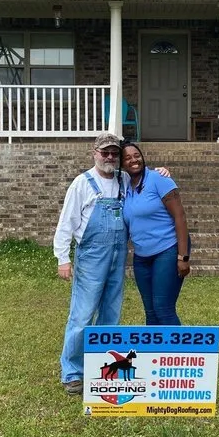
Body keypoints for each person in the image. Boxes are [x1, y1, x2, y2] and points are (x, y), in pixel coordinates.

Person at [54, 132, 128, 395]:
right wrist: (63, 258)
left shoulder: (124, 180)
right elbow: (66, 223)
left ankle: (101, 367)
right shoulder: (82, 183)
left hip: (119, 257)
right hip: (91, 258)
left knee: (111, 313)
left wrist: (162, 173)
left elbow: (147, 186)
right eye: (104, 152)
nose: (109, 157)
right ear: (94, 153)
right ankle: (73, 372)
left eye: (114, 153)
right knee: (82, 314)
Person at [120, 140, 191, 326]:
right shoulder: (126, 186)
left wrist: (183, 257)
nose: (133, 160)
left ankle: (177, 354)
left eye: (136, 155)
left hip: (167, 250)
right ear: (121, 164)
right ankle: (153, 356)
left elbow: (180, 217)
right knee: (150, 312)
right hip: (142, 257)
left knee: (163, 308)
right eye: (127, 158)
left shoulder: (159, 178)